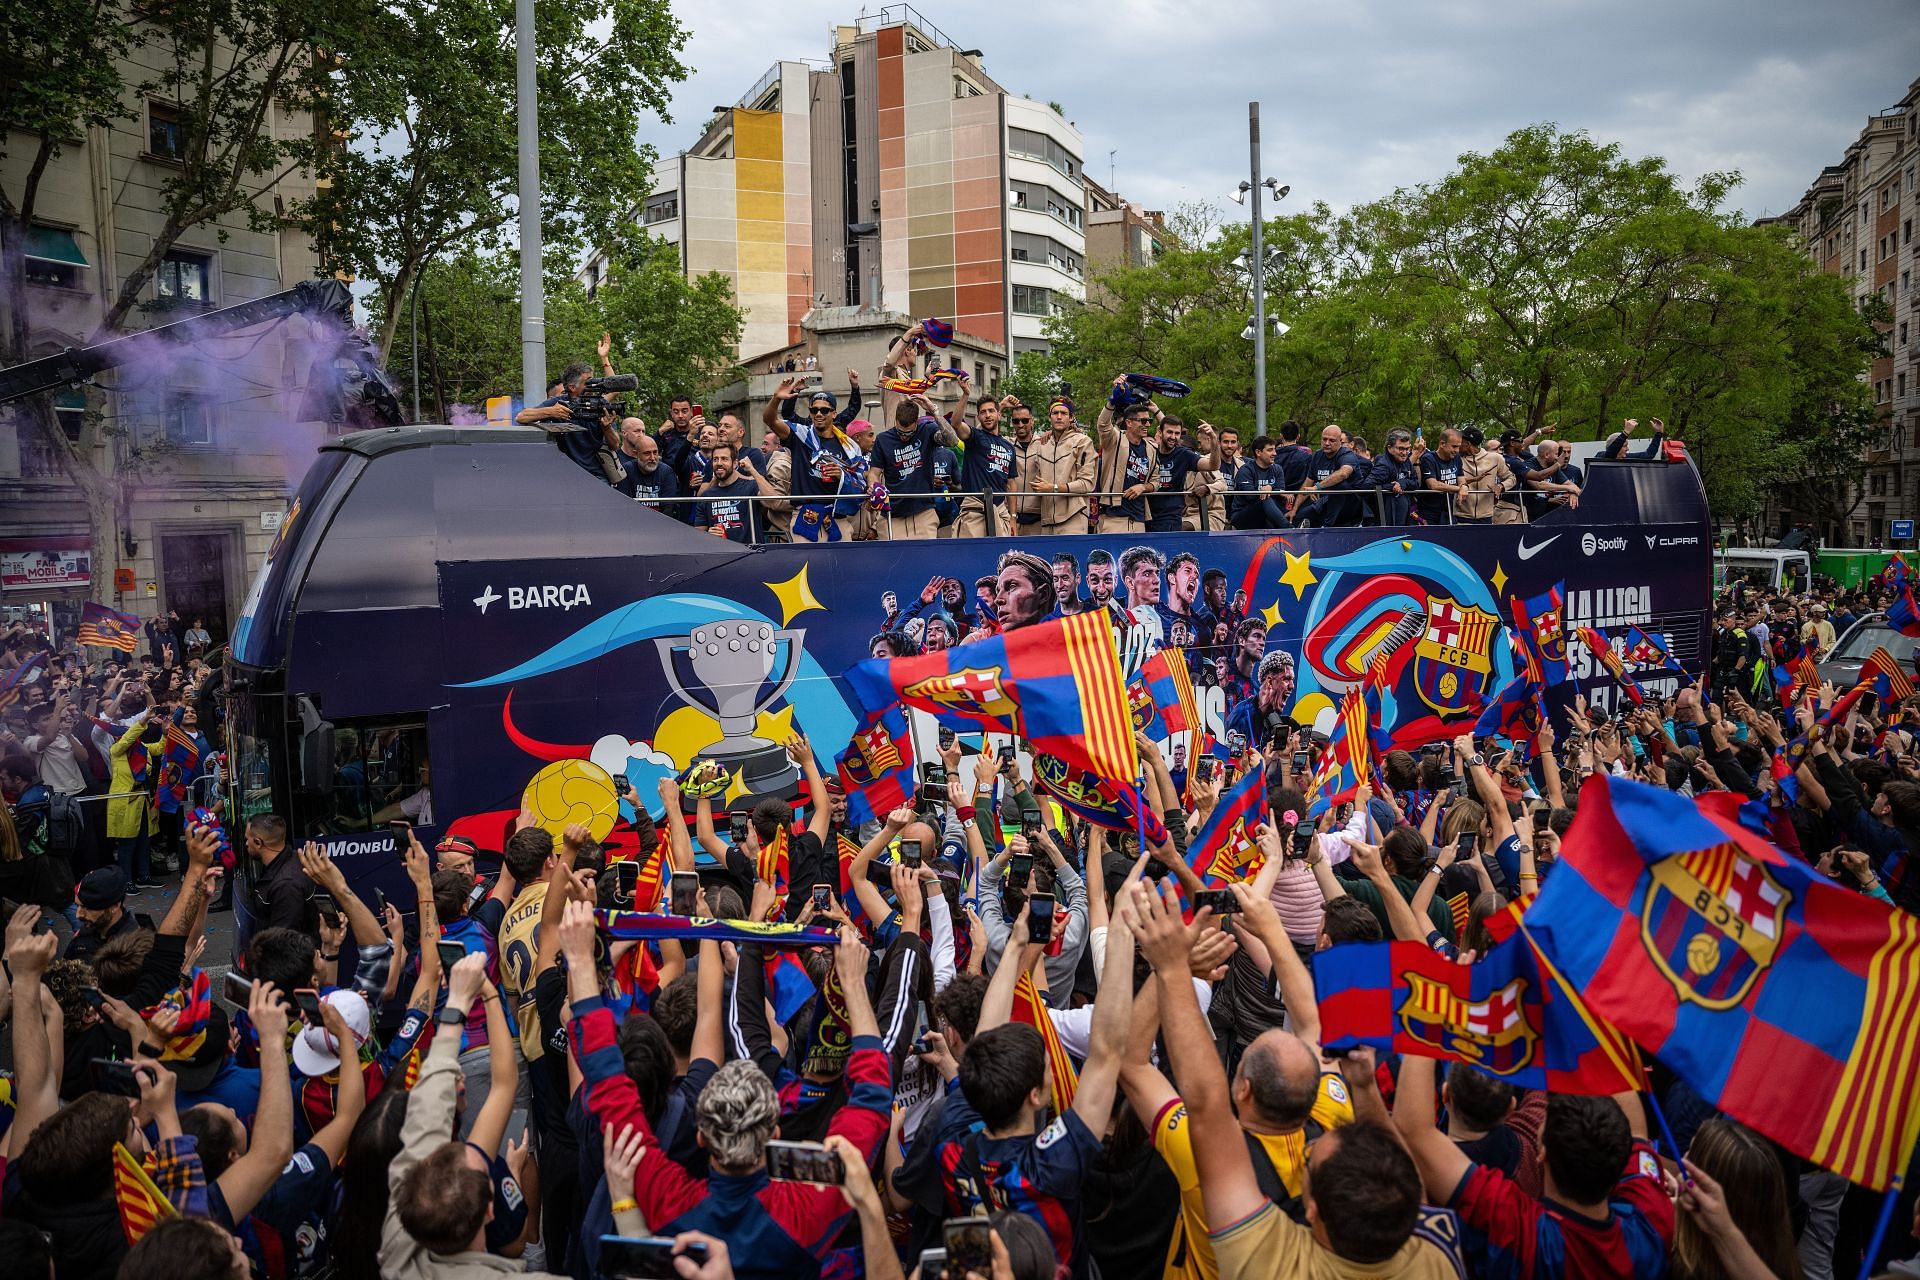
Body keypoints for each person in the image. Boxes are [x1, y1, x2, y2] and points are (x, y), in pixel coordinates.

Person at [868, 399, 955, 540]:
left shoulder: (927, 430)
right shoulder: (883, 439)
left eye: (909, 434)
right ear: (896, 420)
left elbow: (952, 441)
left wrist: (935, 412)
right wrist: (874, 486)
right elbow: (874, 472)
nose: (904, 437)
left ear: (917, 422)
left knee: (925, 559)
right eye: (900, 432)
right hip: (893, 512)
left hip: (923, 512)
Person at [1016, 397, 1096, 536]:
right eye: (1055, 413)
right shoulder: (1041, 444)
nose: (1059, 417)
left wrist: (1053, 488)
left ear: (1071, 418)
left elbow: (1087, 484)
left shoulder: (1083, 442)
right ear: (1049, 417)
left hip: (1073, 518)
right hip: (1046, 522)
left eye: (1064, 413)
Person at [1094, 388, 1162, 534]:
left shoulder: (1151, 448)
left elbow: (1157, 482)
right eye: (1143, 421)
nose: (1148, 425)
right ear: (1129, 422)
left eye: (1149, 421)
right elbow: (1103, 425)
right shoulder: (1116, 439)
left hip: (1139, 518)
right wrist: (1111, 402)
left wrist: (1143, 487)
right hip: (1113, 517)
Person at [955, 393, 1019, 537]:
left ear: (999, 415)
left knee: (1001, 558)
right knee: (972, 558)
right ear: (978, 417)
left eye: (991, 411)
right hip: (975, 510)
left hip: (1000, 511)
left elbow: (1011, 483)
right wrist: (966, 394)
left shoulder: (1009, 447)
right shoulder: (975, 438)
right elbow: (956, 424)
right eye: (983, 412)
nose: (987, 415)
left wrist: (1013, 517)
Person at [693, 444, 779, 544]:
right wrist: (709, 535)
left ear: (735, 464)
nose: (719, 463)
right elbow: (698, 536)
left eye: (724, 459)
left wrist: (752, 470)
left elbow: (773, 502)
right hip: (721, 554)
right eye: (715, 459)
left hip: (750, 553)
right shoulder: (706, 496)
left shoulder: (750, 487)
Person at [1293, 426, 1363, 528]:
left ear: (1340, 441)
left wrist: (1317, 487)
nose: (1327, 443)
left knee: (1340, 485)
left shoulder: (1347, 455)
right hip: (1323, 503)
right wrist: (1294, 509)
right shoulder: (1317, 455)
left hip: (1349, 506)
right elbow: (1308, 483)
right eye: (1324, 439)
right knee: (1300, 516)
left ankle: (1327, 526)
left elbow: (1343, 473)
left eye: (1332, 440)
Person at [1230, 435, 1291, 530]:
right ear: (1258, 452)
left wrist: (1270, 487)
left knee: (1289, 506)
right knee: (1265, 498)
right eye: (1270, 450)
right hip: (1243, 515)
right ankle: (1290, 529)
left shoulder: (1278, 469)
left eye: (1274, 450)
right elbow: (1250, 496)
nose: (1275, 453)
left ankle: (1298, 524)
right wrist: (1266, 490)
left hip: (1267, 514)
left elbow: (1281, 493)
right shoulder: (1246, 470)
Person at [1368, 428, 1421, 526]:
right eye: (1400, 448)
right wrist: (1390, 487)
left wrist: (1403, 483)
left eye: (1407, 449)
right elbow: (1366, 486)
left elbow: (1416, 483)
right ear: (1389, 448)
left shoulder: (1407, 462)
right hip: (1387, 518)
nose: (1405, 453)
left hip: (1405, 515)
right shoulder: (1383, 465)